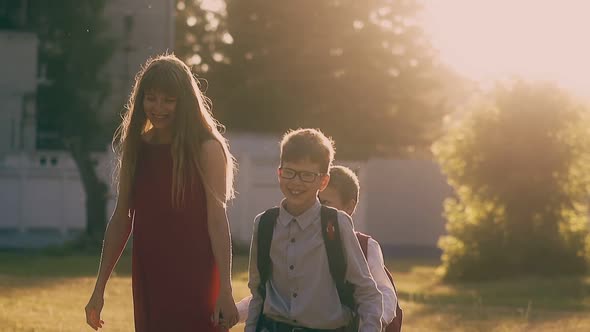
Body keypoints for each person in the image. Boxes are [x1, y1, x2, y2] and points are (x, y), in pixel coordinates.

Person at [84, 54, 239, 331]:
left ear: (185, 103)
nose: (158, 107)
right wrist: (99, 289)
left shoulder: (207, 149)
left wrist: (225, 290)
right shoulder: (137, 148)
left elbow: (217, 220)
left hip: (196, 276)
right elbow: (121, 219)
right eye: (151, 98)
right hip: (149, 273)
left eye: (169, 100)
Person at [245, 128, 383, 332]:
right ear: (279, 172)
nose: (296, 182)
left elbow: (367, 293)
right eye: (289, 172)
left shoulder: (337, 224)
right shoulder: (264, 224)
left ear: (323, 181)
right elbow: (258, 292)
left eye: (307, 175)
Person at [318, 165, 398, 329]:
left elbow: (384, 293)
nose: (318, 210)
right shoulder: (302, 242)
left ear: (349, 207)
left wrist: (372, 322)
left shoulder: (364, 246)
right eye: (315, 202)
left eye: (325, 202)